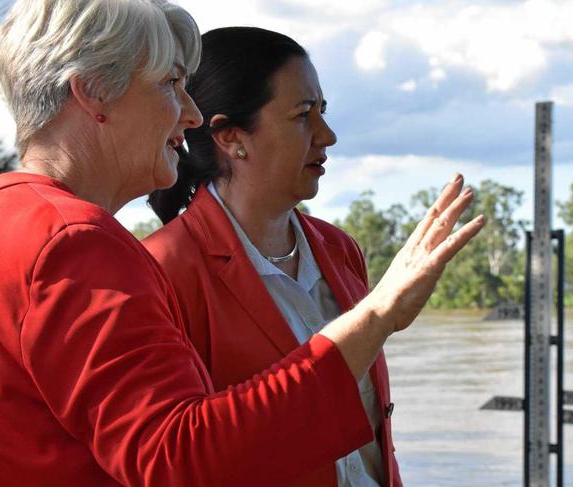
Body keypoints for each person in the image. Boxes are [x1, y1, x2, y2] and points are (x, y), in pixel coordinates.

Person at [0, 1, 483, 486]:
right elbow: (179, 459)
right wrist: (378, 316)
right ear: (93, 91)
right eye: (170, 84)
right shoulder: (75, 243)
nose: (190, 114)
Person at [144, 27, 407, 486]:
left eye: (323, 112)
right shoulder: (163, 270)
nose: (328, 136)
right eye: (303, 115)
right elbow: (182, 460)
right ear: (230, 137)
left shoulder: (341, 250)